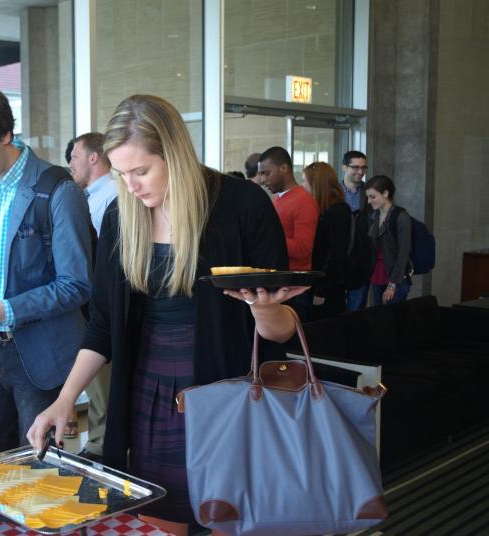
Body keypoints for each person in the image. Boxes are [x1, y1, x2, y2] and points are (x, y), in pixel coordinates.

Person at [27, 95, 304, 535]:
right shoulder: (122, 216)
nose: (132, 186)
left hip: (226, 396)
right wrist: (64, 400)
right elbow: (103, 325)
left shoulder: (242, 205)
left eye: (141, 171)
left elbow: (283, 332)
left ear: (173, 153)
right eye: (121, 174)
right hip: (146, 396)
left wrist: (264, 308)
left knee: (226, 517)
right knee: (157, 519)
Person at [0, 82, 92, 453]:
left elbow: (77, 284)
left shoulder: (57, 190)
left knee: (40, 471)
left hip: (39, 357)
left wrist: (3, 309)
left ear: (6, 133)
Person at [67, 131, 118, 459]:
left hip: (103, 305)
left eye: (74, 156)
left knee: (103, 387)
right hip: (90, 306)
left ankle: (101, 448)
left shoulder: (112, 196)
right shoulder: (89, 197)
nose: (70, 164)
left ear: (93, 157)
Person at [258, 146, 318, 320]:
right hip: (278, 282)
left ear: (284, 168)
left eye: (267, 173)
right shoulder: (278, 199)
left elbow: (303, 249)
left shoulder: (303, 201)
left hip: (294, 286)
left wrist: (268, 239)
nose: (263, 180)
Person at [302, 162, 350, 319]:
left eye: (304, 181)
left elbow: (336, 254)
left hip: (329, 287)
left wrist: (322, 290)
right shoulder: (324, 209)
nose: (302, 186)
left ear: (317, 184)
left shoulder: (338, 211)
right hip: (321, 282)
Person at [364, 175, 412, 304]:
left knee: (392, 319)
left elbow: (403, 253)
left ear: (385, 193)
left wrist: (393, 285)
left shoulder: (401, 217)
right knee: (380, 319)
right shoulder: (374, 216)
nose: (368, 201)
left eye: (372, 197)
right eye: (368, 197)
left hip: (395, 278)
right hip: (377, 275)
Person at [341, 150, 371, 310]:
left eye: (364, 167)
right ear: (344, 167)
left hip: (361, 261)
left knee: (357, 309)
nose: (360, 171)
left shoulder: (371, 193)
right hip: (339, 258)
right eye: (355, 167)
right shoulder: (333, 193)